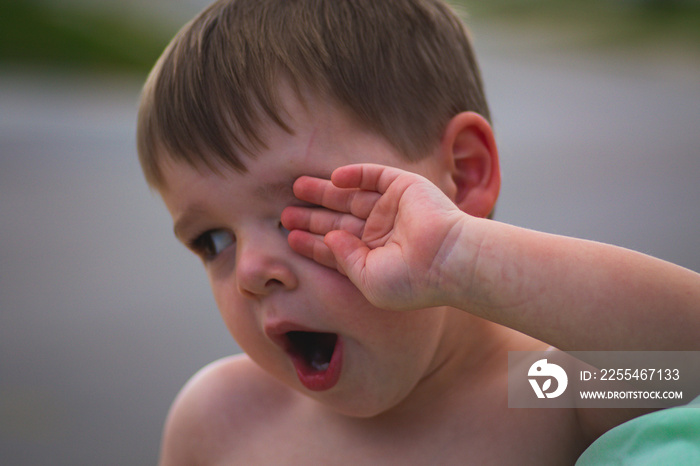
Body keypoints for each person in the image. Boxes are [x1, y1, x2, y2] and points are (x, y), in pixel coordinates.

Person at [135, 0, 700, 464]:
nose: (253, 273)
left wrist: (458, 255)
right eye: (212, 241)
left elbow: (688, 370)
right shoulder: (220, 422)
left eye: (300, 209)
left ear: (462, 173)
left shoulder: (542, 391)